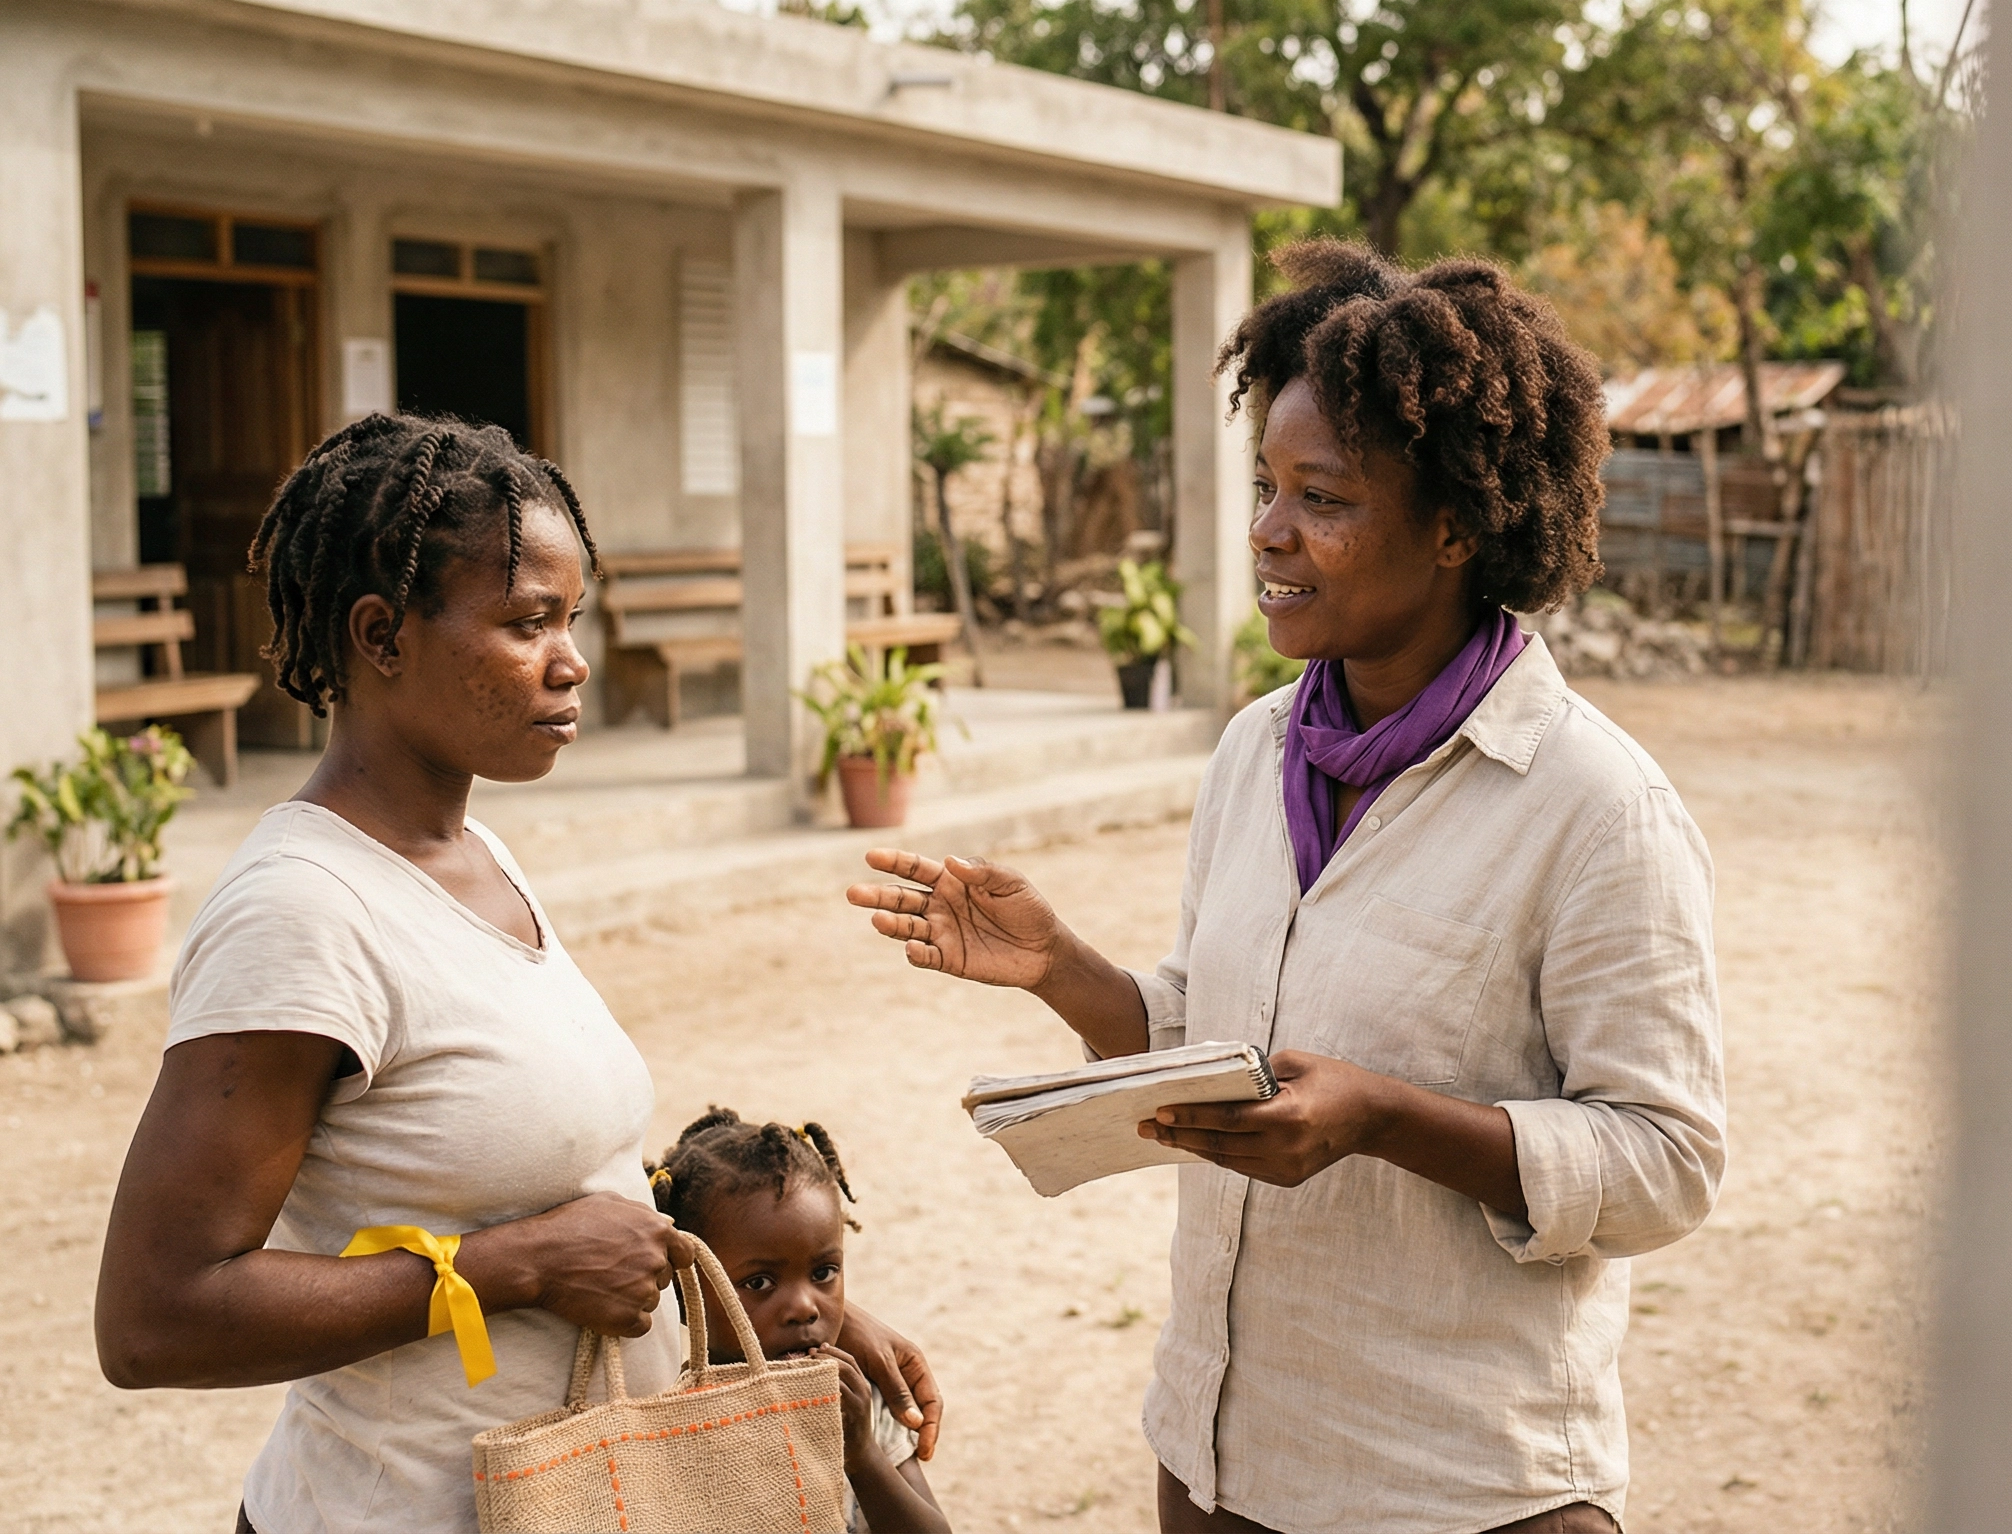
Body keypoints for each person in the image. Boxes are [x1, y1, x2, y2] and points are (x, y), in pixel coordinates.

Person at [849, 242, 1726, 1534]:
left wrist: (1382, 1118)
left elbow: (1668, 1160)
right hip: (1220, 1465)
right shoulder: (1256, 751)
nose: (1268, 530)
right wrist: (1061, 968)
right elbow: (1216, 1039)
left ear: (1452, 527)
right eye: (1267, 485)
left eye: (1321, 495)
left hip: (1455, 1493)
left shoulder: (1595, 808)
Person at [93, 414, 940, 1534]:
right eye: (527, 620)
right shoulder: (302, 911)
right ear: (381, 635)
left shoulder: (475, 855)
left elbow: (546, 1174)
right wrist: (510, 1269)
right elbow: (156, 1318)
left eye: (572, 618)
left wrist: (783, 1308)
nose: (571, 658)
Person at [647, 1108, 951, 1534]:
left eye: (823, 1273)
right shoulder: (676, 1421)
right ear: (685, 1292)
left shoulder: (856, 1397)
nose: (804, 1307)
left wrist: (862, 1455)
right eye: (759, 1282)